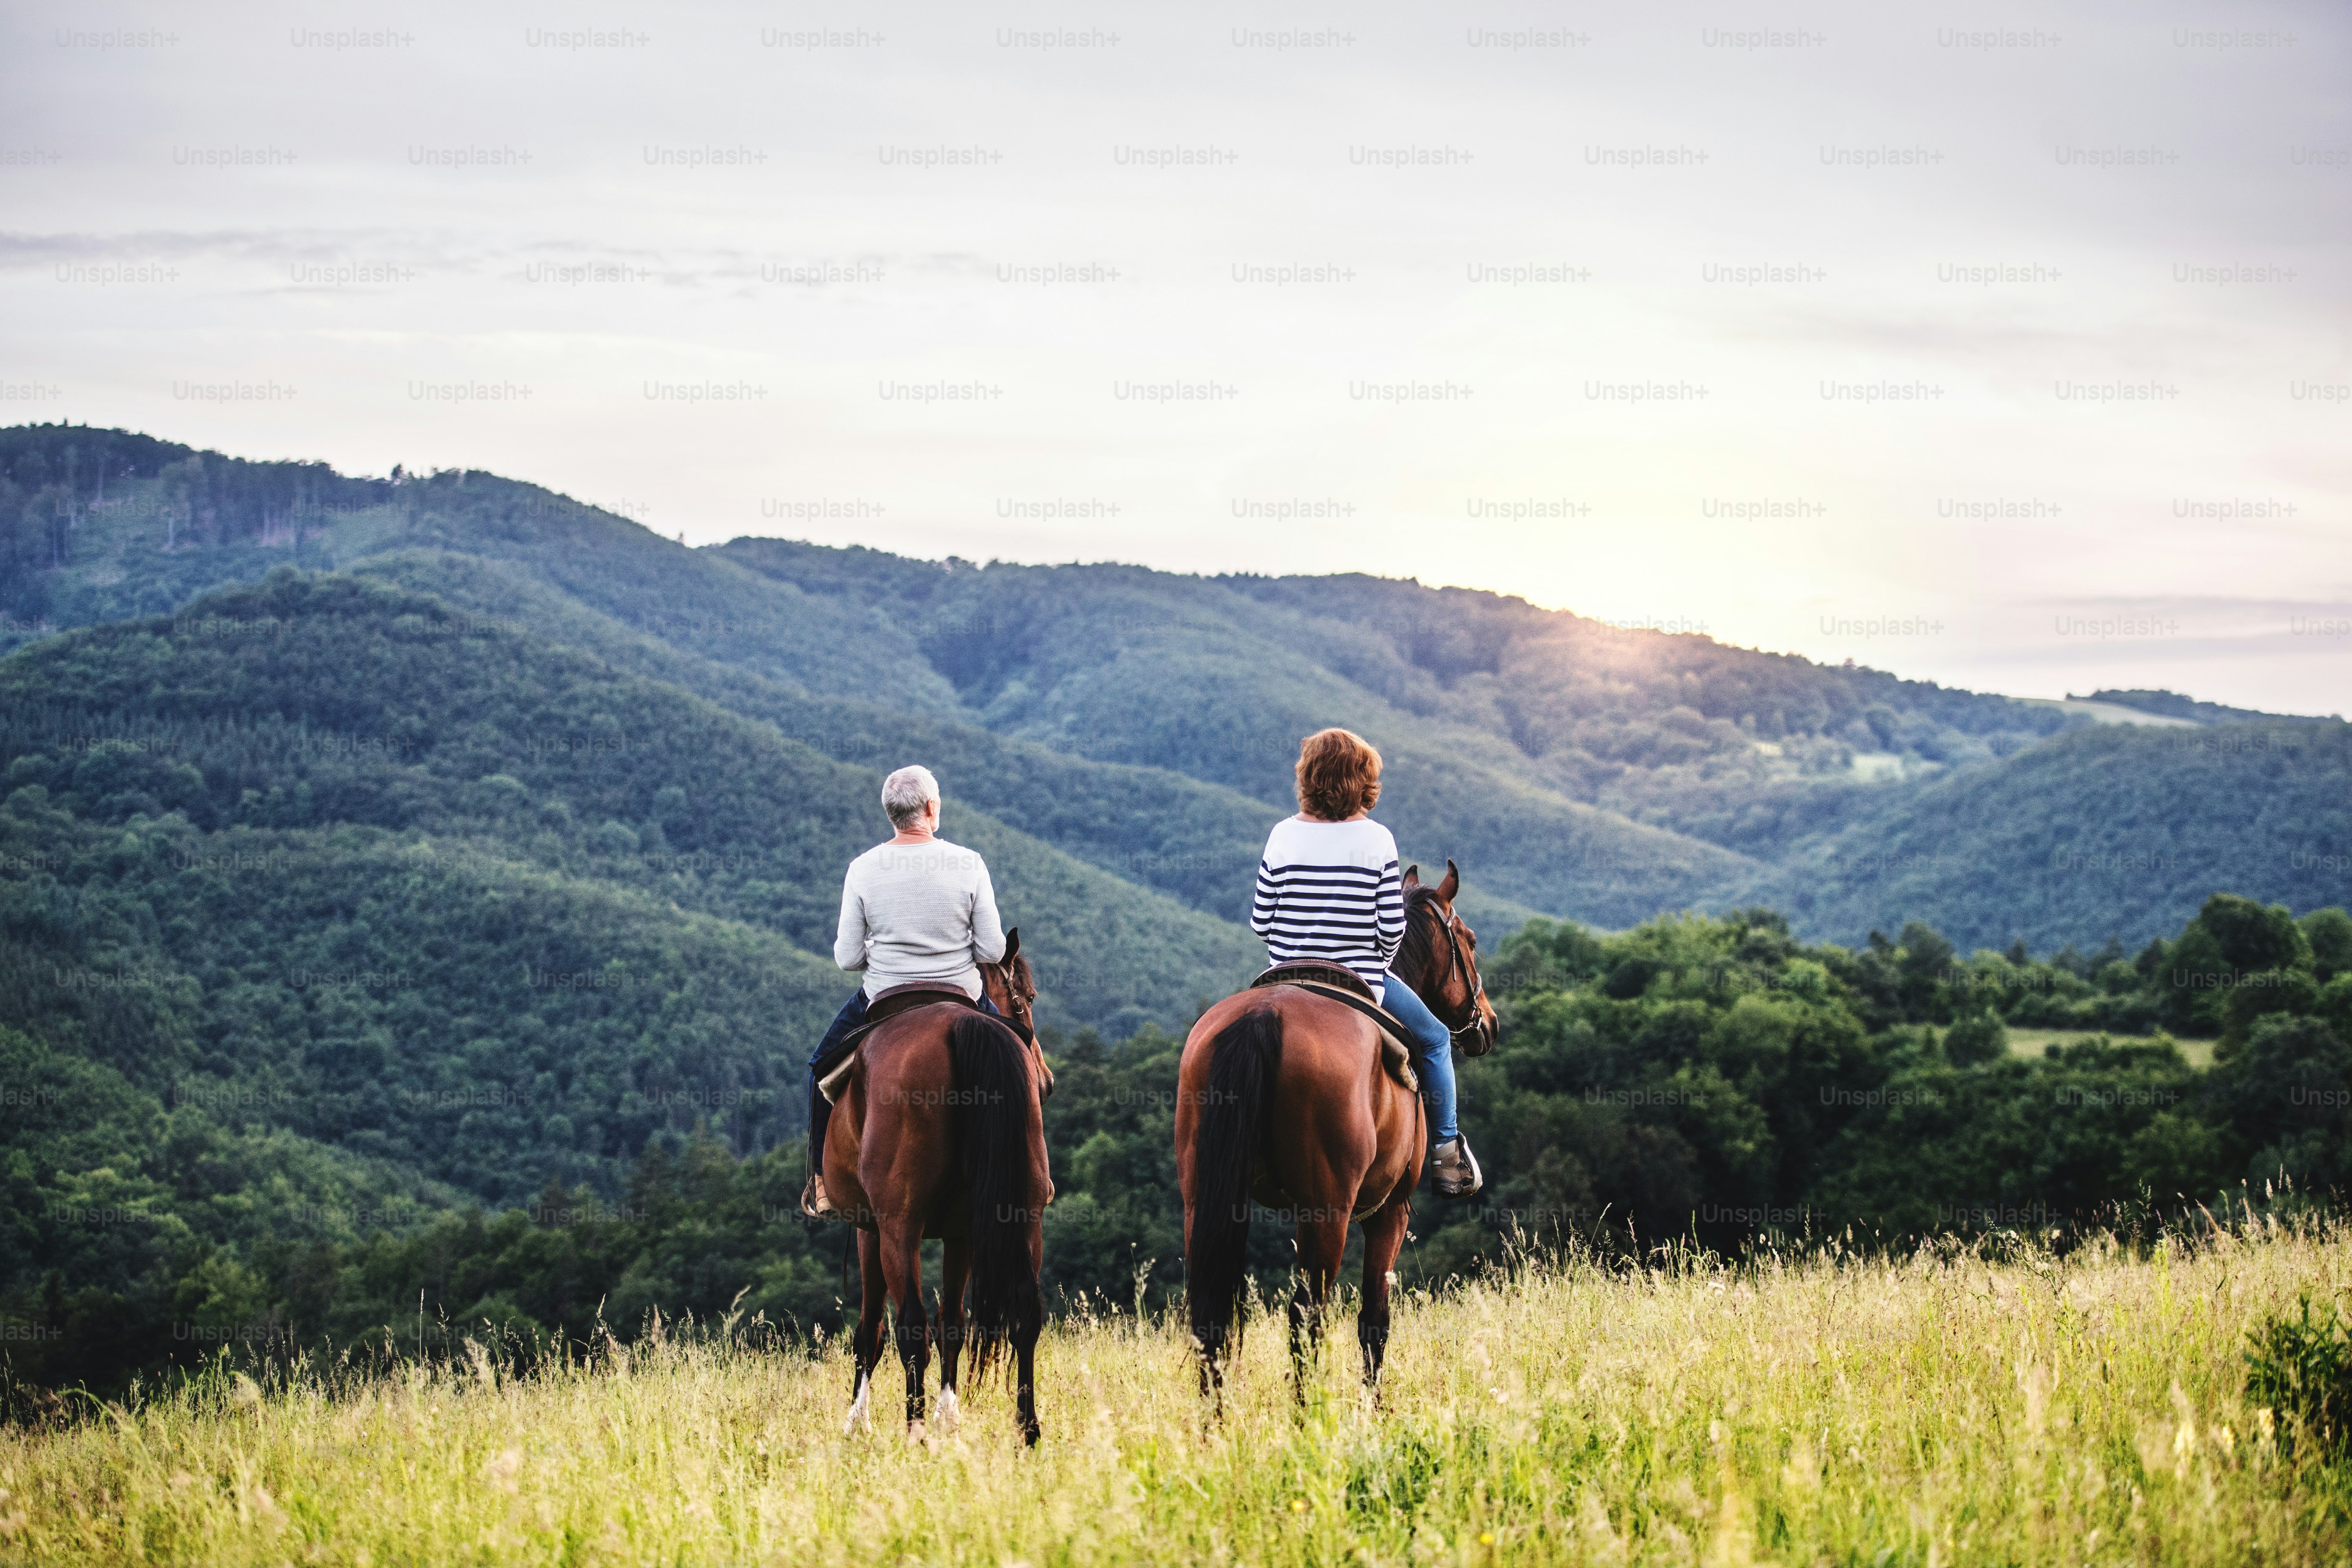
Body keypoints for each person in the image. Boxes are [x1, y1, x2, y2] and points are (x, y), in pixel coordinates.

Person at [1249, 727, 1483, 1199]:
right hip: (1361, 981)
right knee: (1436, 1039)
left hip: (1283, 976)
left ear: (1308, 778)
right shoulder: (1377, 839)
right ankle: (1445, 1154)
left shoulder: (1281, 834)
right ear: (1364, 783)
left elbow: (1260, 921)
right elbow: (1392, 932)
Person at [802, 764, 1005, 1217]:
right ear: (932, 808)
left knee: (819, 1070)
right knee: (1020, 1057)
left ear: (891, 815)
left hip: (885, 1001)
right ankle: (1032, 1172)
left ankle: (819, 1181)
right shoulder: (968, 862)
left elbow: (847, 957)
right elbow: (993, 948)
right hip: (963, 997)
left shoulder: (862, 869)